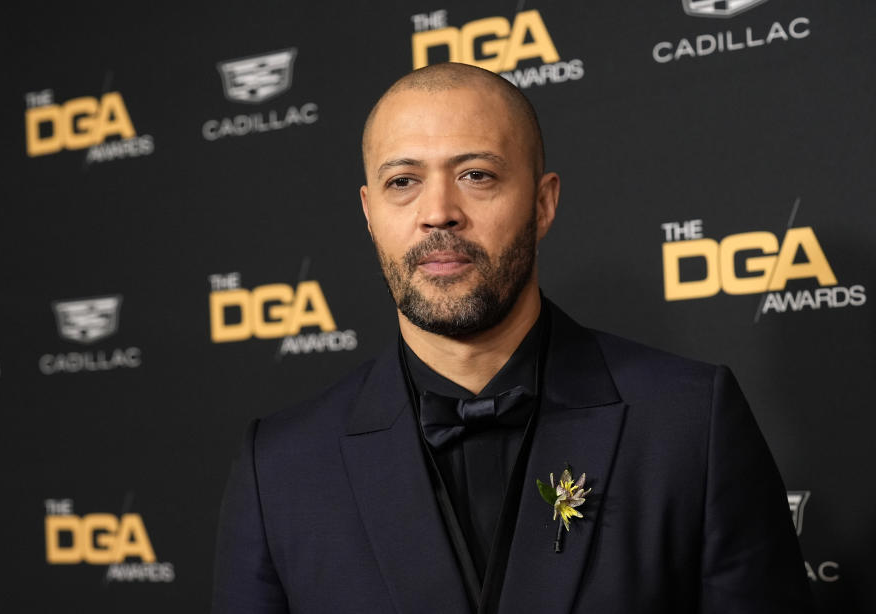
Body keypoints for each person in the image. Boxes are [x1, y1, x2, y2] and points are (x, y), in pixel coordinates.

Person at [211, 62, 812, 614]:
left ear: (543, 203)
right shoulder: (282, 466)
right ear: (370, 213)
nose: (438, 211)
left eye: (476, 175)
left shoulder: (689, 423)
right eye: (403, 181)